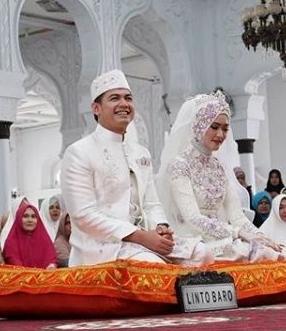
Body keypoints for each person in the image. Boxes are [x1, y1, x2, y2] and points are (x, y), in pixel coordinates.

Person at [61, 69, 210, 267]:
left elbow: (152, 203)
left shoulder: (141, 153)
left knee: (202, 254)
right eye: (114, 98)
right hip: (104, 247)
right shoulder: (79, 152)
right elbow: (84, 217)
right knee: (153, 266)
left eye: (128, 98)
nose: (124, 104)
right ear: (96, 108)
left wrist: (160, 229)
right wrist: (139, 236)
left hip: (144, 240)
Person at [157, 93, 286, 262]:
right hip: (193, 238)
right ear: (199, 126)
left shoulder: (219, 167)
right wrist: (236, 233)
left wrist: (258, 235)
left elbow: (237, 217)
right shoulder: (180, 165)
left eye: (225, 129)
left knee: (274, 253)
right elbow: (193, 218)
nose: (221, 134)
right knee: (222, 254)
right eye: (215, 126)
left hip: (223, 236)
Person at [2, 199, 57, 269]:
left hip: (43, 278)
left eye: (33, 216)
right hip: (20, 278)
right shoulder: (11, 242)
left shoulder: (44, 239)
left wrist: (51, 266)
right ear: (19, 218)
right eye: (25, 216)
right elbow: (13, 262)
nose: (30, 220)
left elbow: (51, 258)